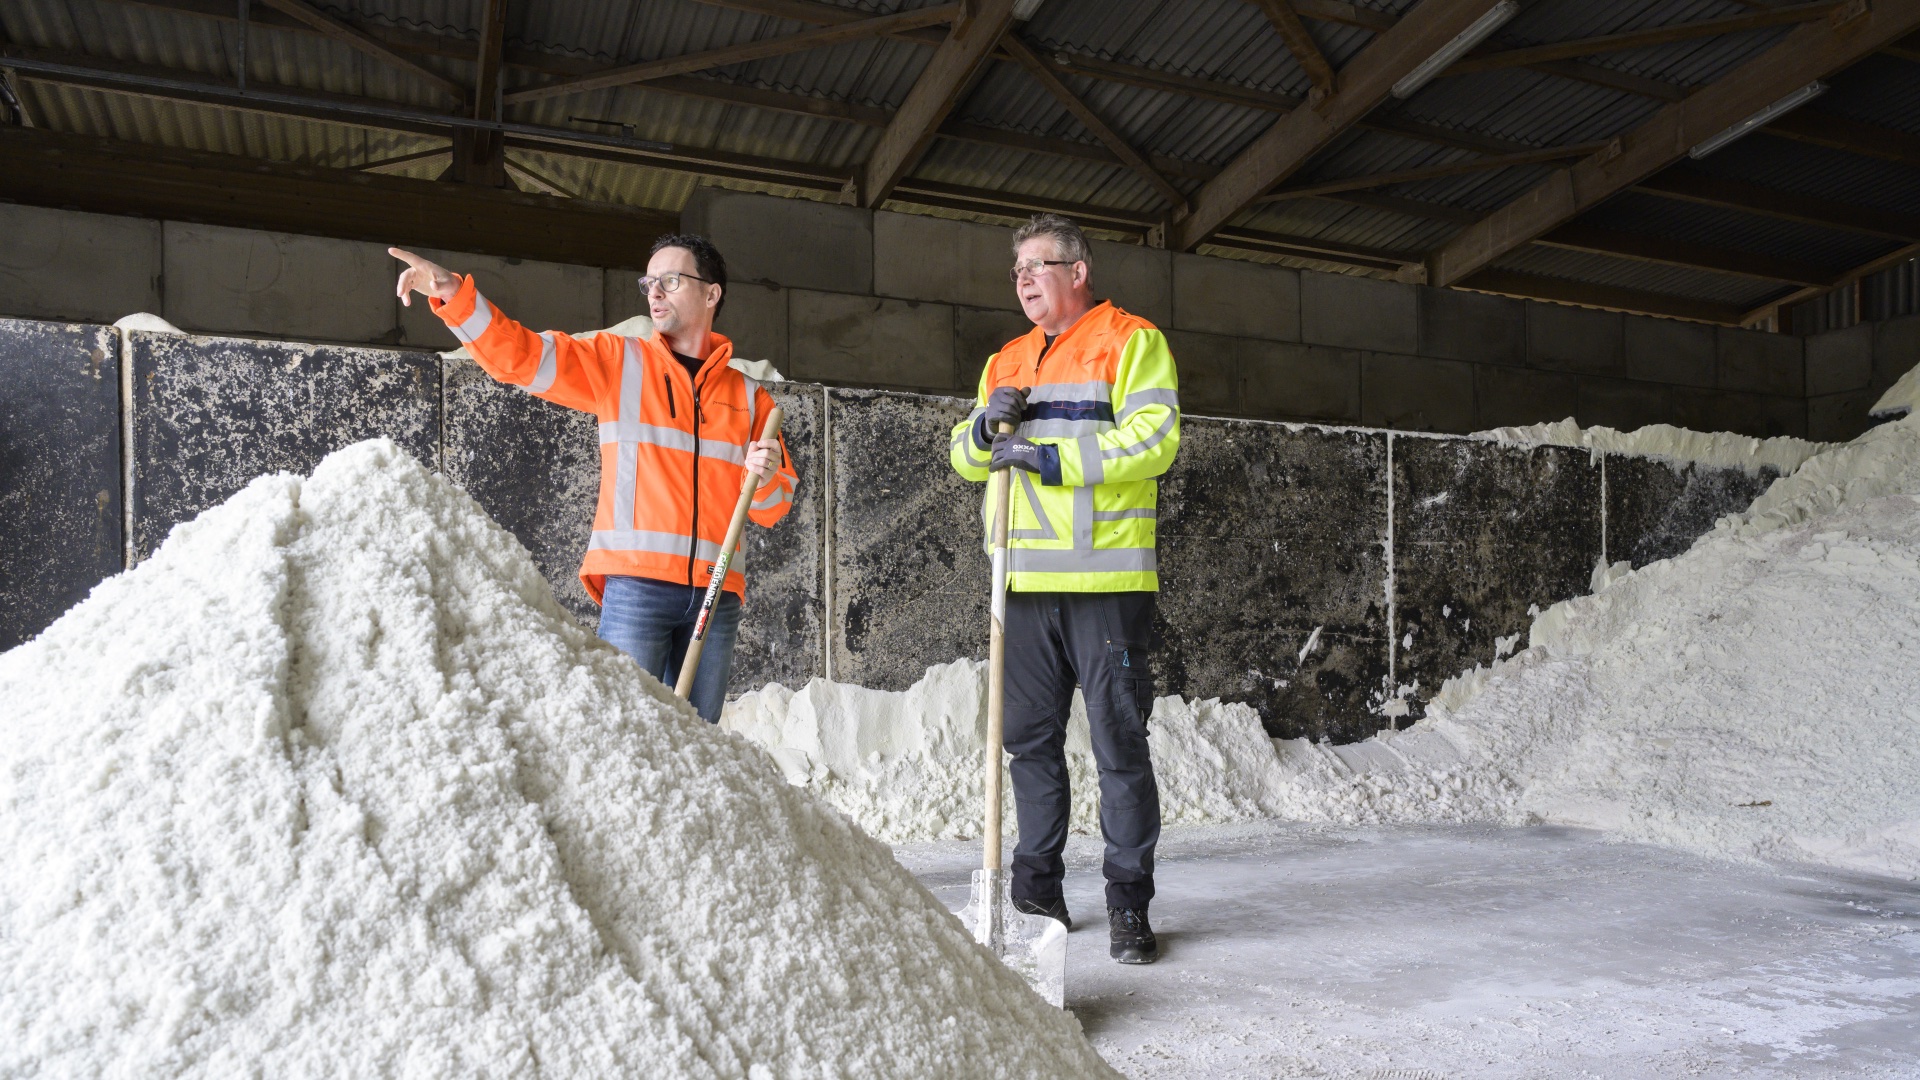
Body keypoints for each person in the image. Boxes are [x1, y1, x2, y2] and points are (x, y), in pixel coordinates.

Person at [390, 235, 796, 723]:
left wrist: (767, 476)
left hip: (716, 595)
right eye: (650, 282)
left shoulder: (752, 400)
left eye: (671, 280)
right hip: (637, 589)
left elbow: (772, 506)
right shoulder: (619, 363)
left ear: (711, 294)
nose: (655, 293)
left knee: (700, 748)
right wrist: (455, 296)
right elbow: (522, 357)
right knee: (623, 733)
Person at [948, 214, 1180, 964]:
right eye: (1015, 268)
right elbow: (961, 454)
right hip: (1017, 580)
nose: (1022, 279)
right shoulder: (1005, 360)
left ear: (1078, 271)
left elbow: (1155, 439)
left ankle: (1127, 907)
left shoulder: (1131, 341)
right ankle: (1036, 893)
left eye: (1036, 265)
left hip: (1104, 582)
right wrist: (985, 432)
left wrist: (1046, 456)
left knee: (1119, 747)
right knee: (1029, 747)